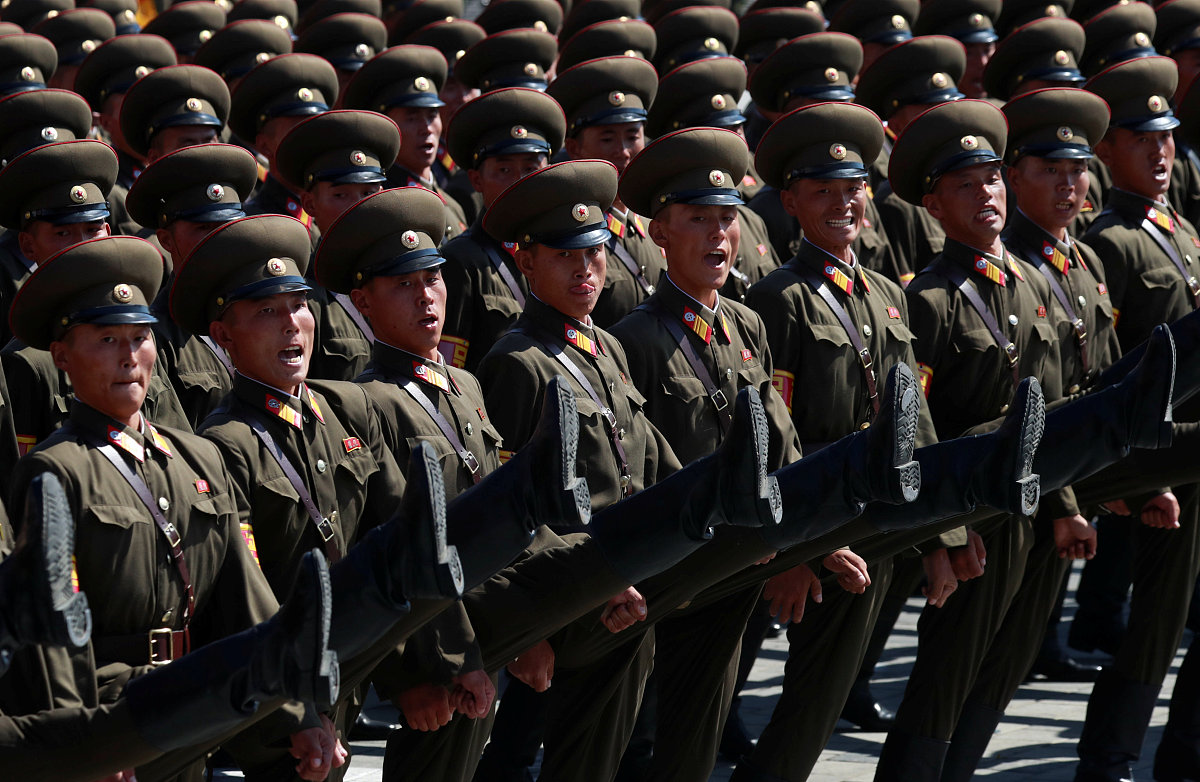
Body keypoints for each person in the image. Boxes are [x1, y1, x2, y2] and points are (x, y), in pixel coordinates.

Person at [1077, 54, 1200, 782]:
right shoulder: (1108, 242)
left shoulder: (1177, 228)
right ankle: (1111, 759)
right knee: (1154, 623)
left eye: (1166, 138)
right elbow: (1109, 368)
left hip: (1195, 450)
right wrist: (1131, 475)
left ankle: (1184, 752)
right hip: (1161, 457)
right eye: (1140, 139)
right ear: (1107, 151)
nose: (1161, 152)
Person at [434, 85, 566, 372]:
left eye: (531, 169)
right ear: (476, 180)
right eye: (504, 170)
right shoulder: (462, 261)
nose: (520, 182)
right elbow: (453, 368)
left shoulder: (564, 249)